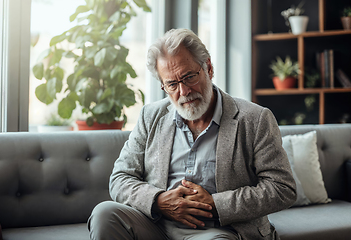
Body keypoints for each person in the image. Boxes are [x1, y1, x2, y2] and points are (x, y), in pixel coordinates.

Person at [88, 28, 296, 240]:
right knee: (105, 214)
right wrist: (159, 201)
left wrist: (216, 204)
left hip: (218, 229)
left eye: (189, 77)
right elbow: (120, 178)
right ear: (163, 86)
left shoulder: (255, 118)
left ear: (208, 68)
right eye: (172, 84)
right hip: (157, 225)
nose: (184, 91)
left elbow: (282, 188)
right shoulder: (150, 116)